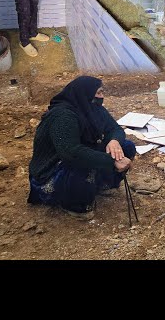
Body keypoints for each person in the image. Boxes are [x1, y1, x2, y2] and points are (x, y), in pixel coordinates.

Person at [27, 76, 135, 220]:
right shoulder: (63, 116)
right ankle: (75, 205)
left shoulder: (93, 109)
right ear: (85, 93)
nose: (102, 97)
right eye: (99, 93)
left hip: (77, 155)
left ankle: (101, 185)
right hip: (52, 171)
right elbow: (71, 153)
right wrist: (110, 161)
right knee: (84, 164)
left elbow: (115, 128)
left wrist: (114, 141)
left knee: (125, 147)